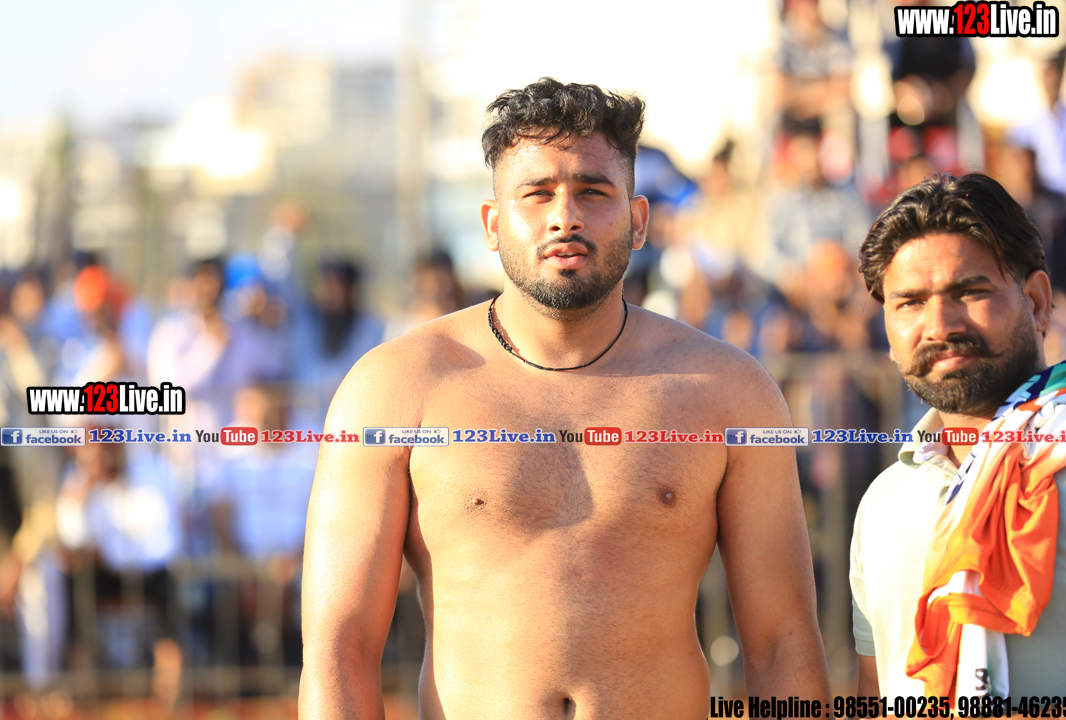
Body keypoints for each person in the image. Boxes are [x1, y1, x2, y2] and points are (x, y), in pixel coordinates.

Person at [300, 77, 828, 719]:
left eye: (593, 192)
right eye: (537, 193)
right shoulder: (395, 388)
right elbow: (339, 649)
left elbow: (781, 644)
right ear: (492, 224)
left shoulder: (728, 393)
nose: (565, 217)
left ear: (638, 221)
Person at [850, 172, 1066, 697]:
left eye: (970, 291)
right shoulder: (883, 503)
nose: (940, 326)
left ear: (1037, 302)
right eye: (910, 303)